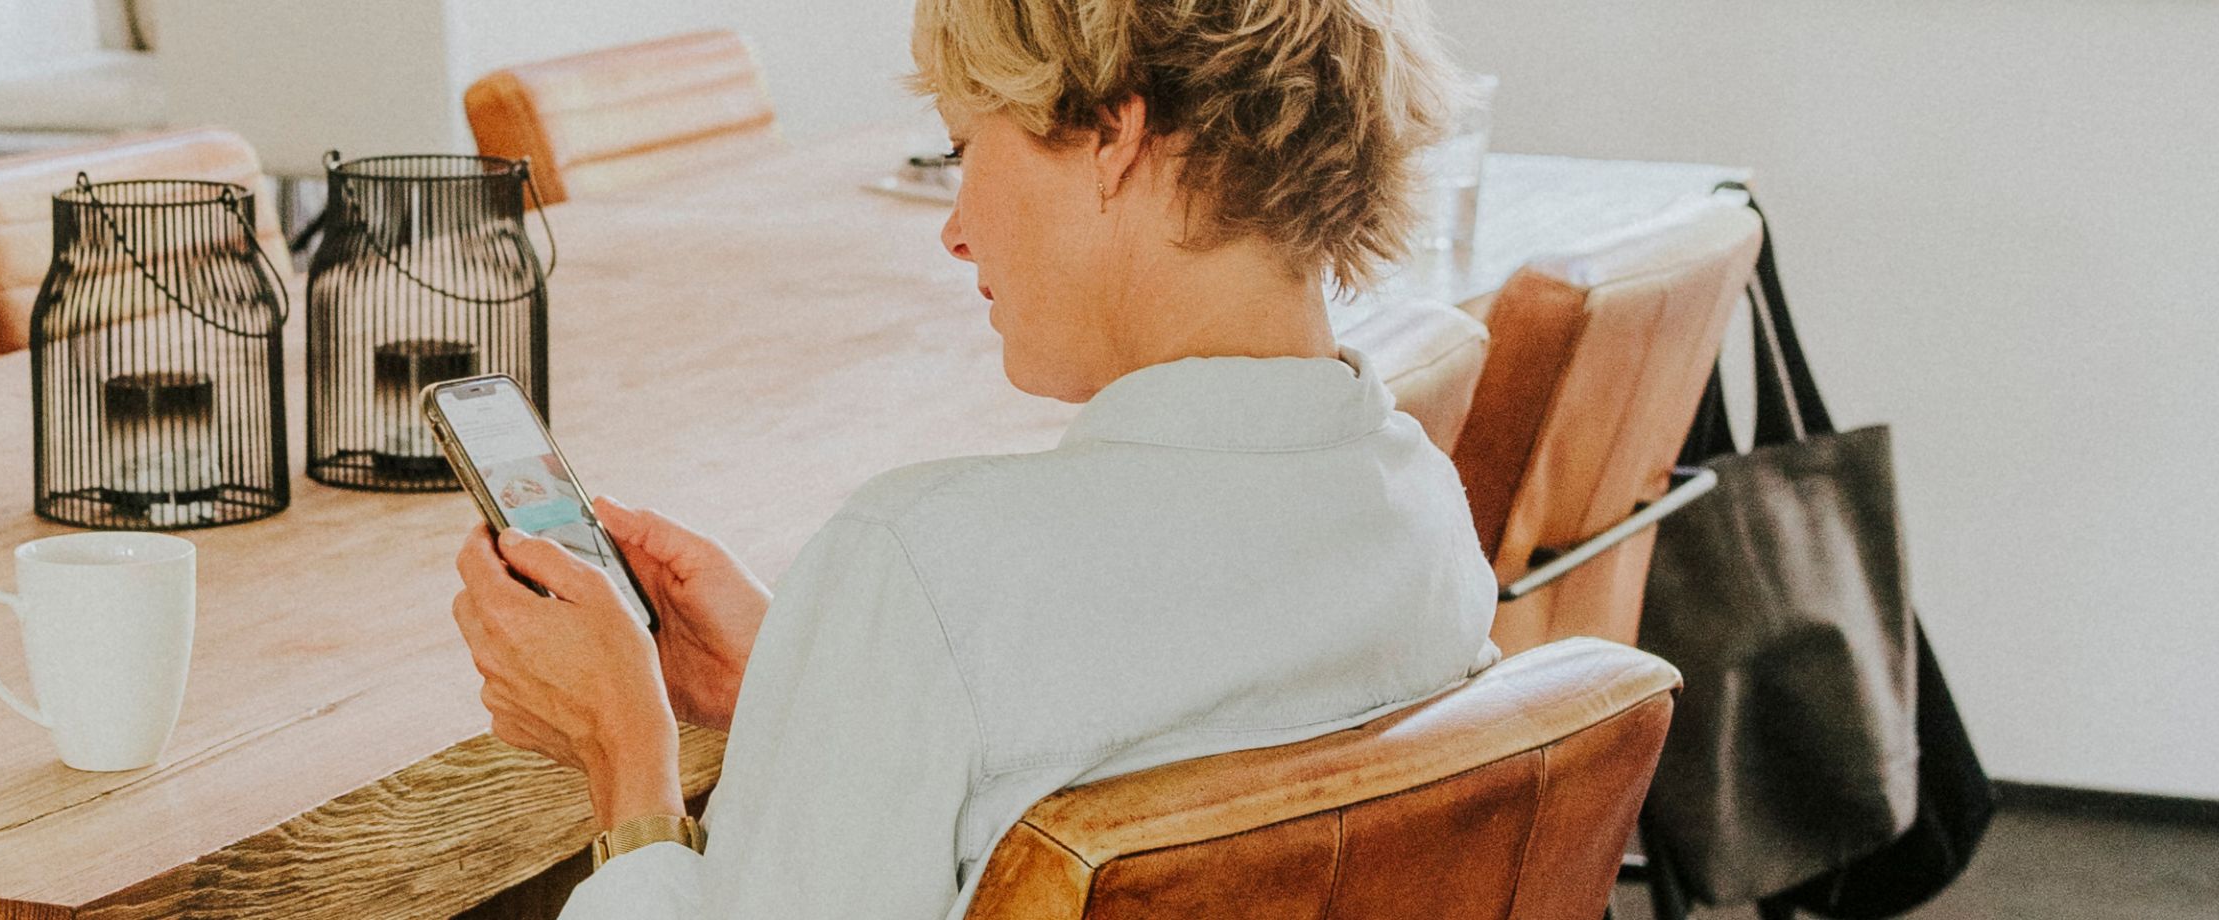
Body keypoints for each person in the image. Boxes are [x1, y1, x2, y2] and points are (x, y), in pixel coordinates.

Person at [441, 0, 1495, 917]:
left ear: (1113, 134)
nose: (954, 229)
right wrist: (818, 684)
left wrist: (625, 759)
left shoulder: (922, 561)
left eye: (963, 150)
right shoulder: (1428, 516)